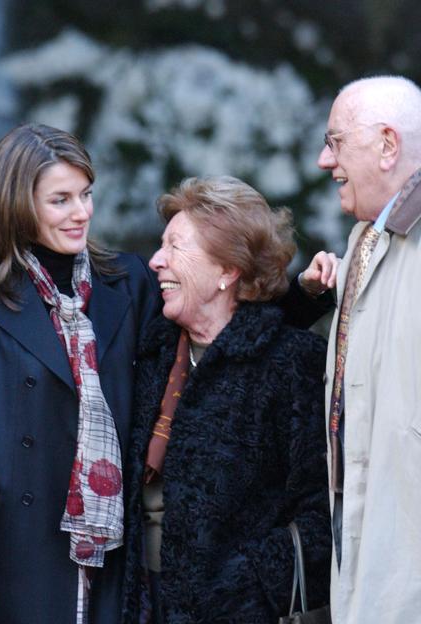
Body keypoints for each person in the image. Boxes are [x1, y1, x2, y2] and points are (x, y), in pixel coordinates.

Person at [0, 123, 160, 624]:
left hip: (117, 558)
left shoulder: (130, 283)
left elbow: (211, 343)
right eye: (60, 200)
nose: (81, 212)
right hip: (18, 555)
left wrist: (303, 299)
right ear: (17, 205)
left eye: (86, 194)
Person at [121, 176, 332, 623]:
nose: (156, 260)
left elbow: (325, 518)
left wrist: (243, 587)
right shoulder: (153, 351)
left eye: (175, 247)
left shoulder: (290, 364)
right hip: (143, 605)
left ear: (227, 270)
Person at [317, 75, 421, 623]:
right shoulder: (365, 240)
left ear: (387, 145)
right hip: (366, 557)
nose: (321, 159)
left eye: (335, 142)